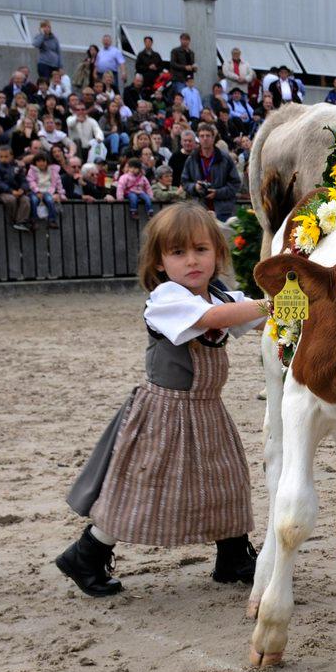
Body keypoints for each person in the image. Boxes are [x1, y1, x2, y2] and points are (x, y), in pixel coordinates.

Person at [58, 202, 266, 596]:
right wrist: (275, 303)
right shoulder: (167, 299)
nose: (192, 261)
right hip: (164, 412)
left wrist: (303, 302)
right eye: (178, 252)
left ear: (218, 254)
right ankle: (85, 554)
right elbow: (213, 320)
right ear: (158, 263)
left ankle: (233, 555)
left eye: (201, 250)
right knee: (144, 488)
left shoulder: (222, 295)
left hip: (207, 409)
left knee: (228, 480)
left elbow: (253, 319)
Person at [181, 122, 241, 221]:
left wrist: (218, 193)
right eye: (202, 136)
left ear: (213, 138)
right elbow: (184, 182)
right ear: (198, 139)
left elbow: (235, 184)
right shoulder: (192, 159)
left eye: (208, 136)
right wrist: (195, 187)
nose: (205, 138)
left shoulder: (225, 158)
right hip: (199, 210)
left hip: (222, 210)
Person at [0, 144, 32, 231]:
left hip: (17, 191)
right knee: (11, 200)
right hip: (4, 192)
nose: (3, 159)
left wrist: (22, 189)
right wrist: (10, 190)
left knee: (26, 200)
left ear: (11, 156)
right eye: (1, 157)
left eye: (6, 156)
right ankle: (12, 220)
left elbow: (23, 180)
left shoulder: (17, 166)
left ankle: (21, 222)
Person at [26, 151, 64, 228]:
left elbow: (58, 182)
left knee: (50, 200)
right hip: (35, 191)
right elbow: (31, 181)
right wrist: (37, 191)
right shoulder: (32, 171)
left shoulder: (53, 171)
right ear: (35, 162)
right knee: (34, 200)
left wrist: (61, 194)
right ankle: (33, 220)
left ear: (47, 161)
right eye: (38, 161)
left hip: (48, 191)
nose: (41, 163)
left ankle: (52, 220)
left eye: (43, 161)